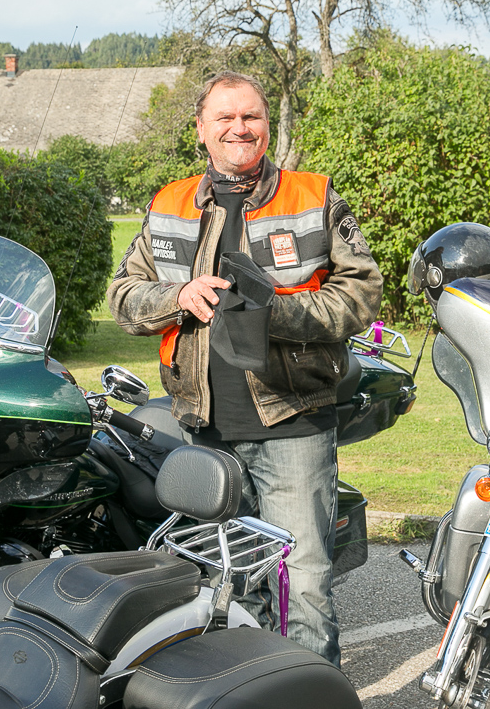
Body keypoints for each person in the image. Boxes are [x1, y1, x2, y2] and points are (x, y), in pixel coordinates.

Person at [106, 71, 383, 666]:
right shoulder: (168, 204)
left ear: (268, 125)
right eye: (225, 117)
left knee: (301, 587)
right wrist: (177, 297)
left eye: (251, 116)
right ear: (201, 129)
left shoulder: (313, 196)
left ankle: (310, 696)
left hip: (293, 424)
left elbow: (361, 295)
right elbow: (123, 296)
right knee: (229, 586)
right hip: (205, 428)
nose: (240, 128)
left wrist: (273, 312)